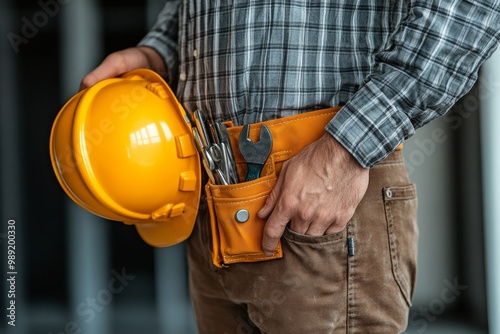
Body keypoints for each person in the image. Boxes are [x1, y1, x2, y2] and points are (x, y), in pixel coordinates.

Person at [81, 1, 500, 333]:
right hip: (211, 201)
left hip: (320, 202)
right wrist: (161, 51)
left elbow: (471, 8)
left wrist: (348, 148)